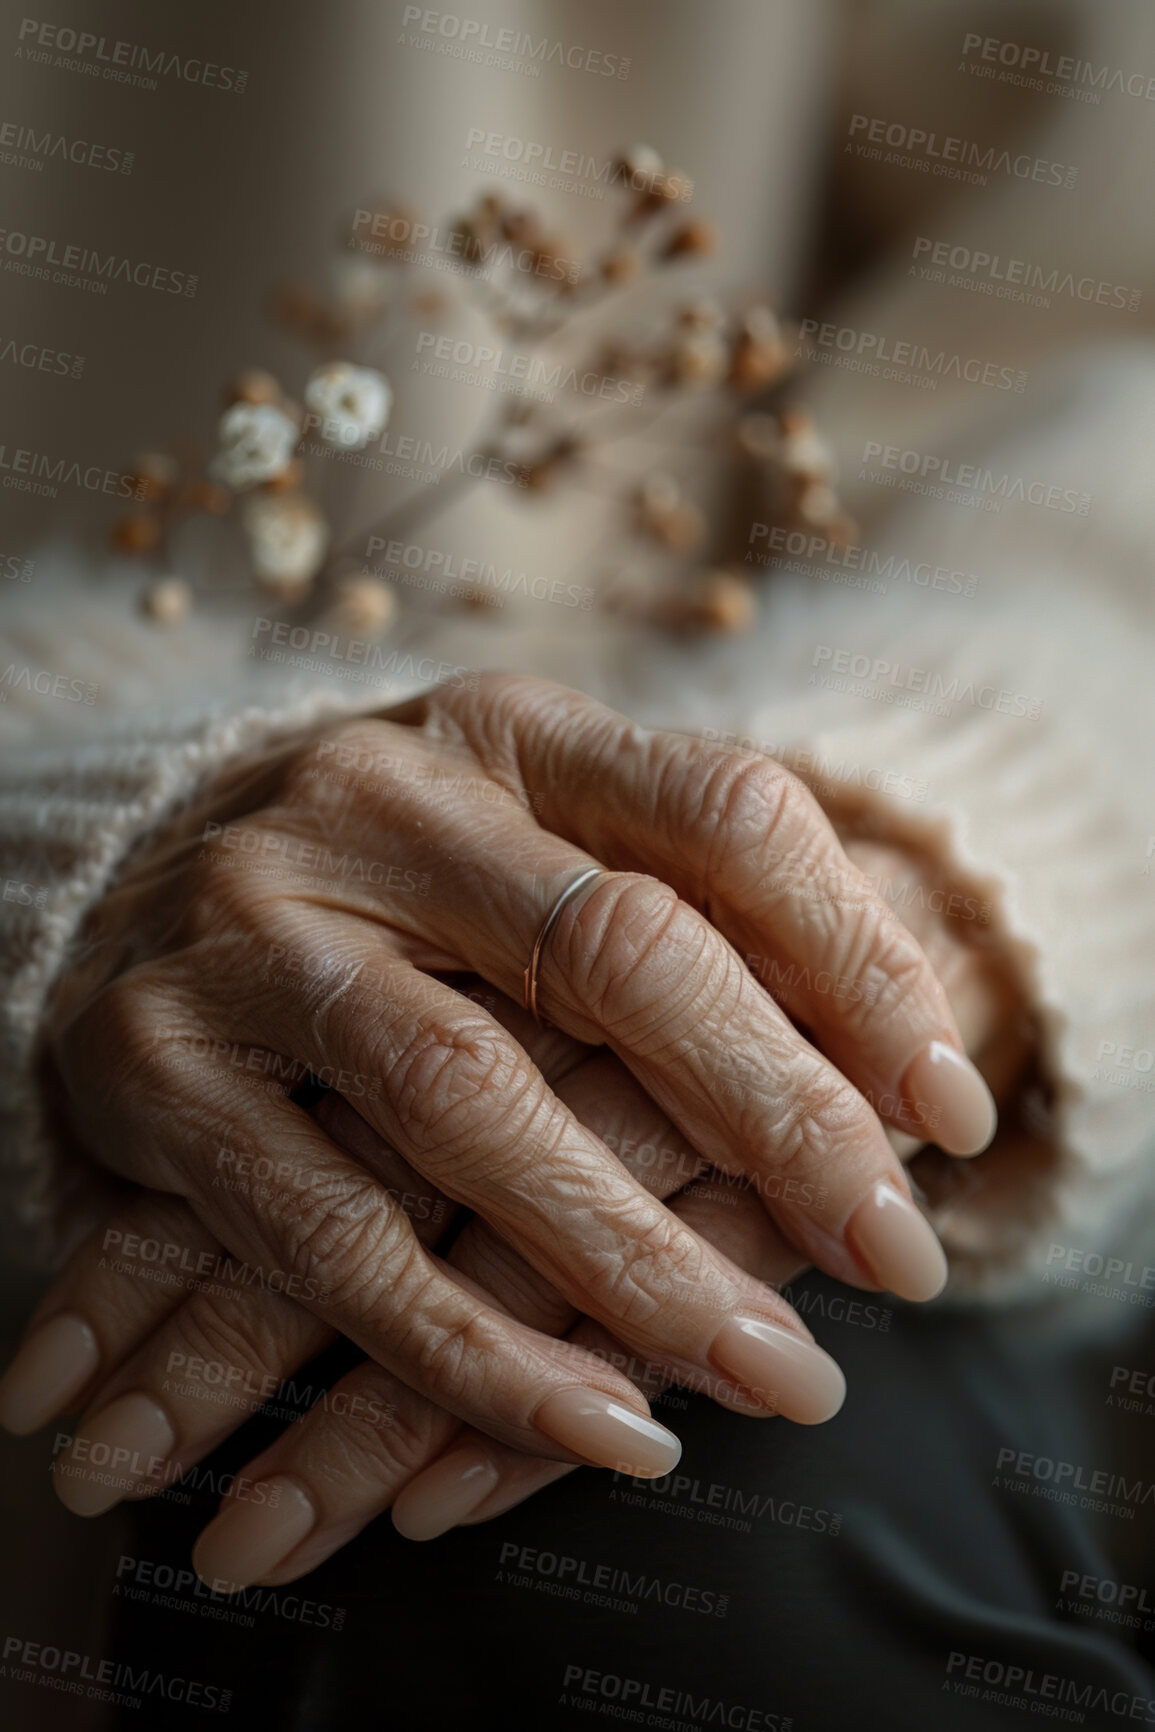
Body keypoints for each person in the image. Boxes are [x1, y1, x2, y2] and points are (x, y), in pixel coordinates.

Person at [1, 2, 1153, 1726]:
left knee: (699, 1482)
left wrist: (920, 839)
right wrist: (82, 849)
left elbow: (1105, 319)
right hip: (132, 1100)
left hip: (787, 909)